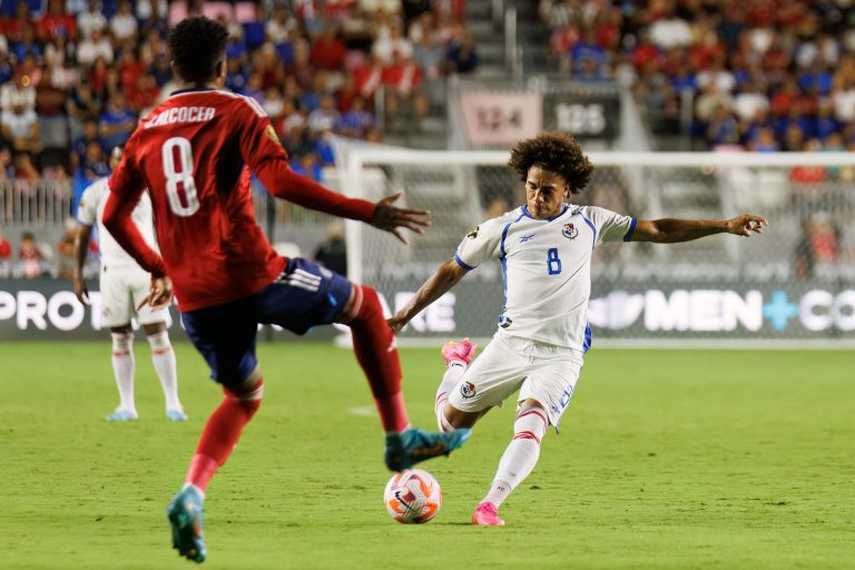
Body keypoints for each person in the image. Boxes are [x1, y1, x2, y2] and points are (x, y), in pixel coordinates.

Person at [101, 17, 469, 563]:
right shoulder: (237, 110)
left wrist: (159, 267)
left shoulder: (146, 129)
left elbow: (112, 216)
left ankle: (191, 493)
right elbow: (281, 183)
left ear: (173, 68)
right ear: (224, 66)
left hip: (195, 298)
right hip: (252, 271)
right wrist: (367, 211)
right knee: (366, 307)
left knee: (243, 396)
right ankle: (399, 438)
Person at [388, 132, 768, 527]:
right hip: (511, 343)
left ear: (566, 189)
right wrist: (403, 315)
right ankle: (456, 362)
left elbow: (659, 230)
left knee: (531, 421)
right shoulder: (501, 229)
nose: (537, 196)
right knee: (450, 428)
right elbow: (451, 270)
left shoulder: (590, 221)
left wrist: (724, 225)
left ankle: (489, 505)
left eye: (547, 190)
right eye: (532, 187)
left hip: (561, 354)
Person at [74, 146, 187, 423]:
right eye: (116, 160)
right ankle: (127, 405)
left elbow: (167, 231)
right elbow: (82, 234)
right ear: (111, 163)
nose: (121, 164)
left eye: (125, 159)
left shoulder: (151, 190)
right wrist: (77, 275)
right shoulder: (95, 193)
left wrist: (168, 269)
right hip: (111, 272)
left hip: (145, 271)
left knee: (158, 333)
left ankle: (173, 403)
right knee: (120, 337)